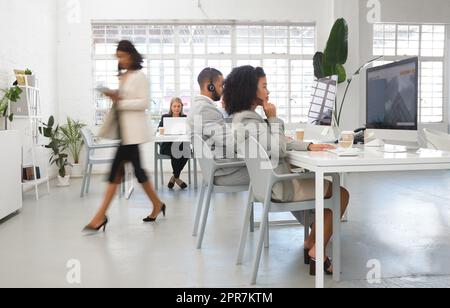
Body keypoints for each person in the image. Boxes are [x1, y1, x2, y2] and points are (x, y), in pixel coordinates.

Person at [223, 65, 350, 276]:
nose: (268, 91)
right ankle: (317, 252)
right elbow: (280, 148)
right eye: (264, 86)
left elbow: (280, 142)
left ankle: (311, 242)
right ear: (250, 90)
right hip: (281, 187)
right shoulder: (251, 123)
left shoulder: (244, 120)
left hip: (267, 186)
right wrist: (273, 118)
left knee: (329, 193)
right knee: (341, 193)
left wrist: (307, 146)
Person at [83, 40, 166, 233]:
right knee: (138, 172)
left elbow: (143, 103)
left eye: (123, 56)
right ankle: (157, 204)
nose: (120, 60)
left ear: (131, 55)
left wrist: (120, 101)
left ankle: (100, 216)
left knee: (115, 173)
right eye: (118, 57)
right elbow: (124, 101)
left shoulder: (139, 76)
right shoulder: (124, 76)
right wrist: (115, 96)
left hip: (132, 134)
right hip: (124, 132)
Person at [187, 67, 250, 186]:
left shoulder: (197, 107)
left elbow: (222, 137)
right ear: (209, 86)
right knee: (269, 169)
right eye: (221, 86)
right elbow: (234, 142)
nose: (223, 91)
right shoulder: (205, 109)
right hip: (224, 172)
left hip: (215, 170)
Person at [158, 97, 189, 189]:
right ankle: (177, 179)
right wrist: (164, 130)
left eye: (178, 106)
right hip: (167, 145)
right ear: (171, 107)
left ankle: (174, 177)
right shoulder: (165, 117)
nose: (176, 108)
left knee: (187, 152)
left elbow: (187, 131)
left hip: (181, 144)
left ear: (181, 107)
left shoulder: (184, 118)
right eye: (174, 106)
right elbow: (159, 130)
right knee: (176, 151)